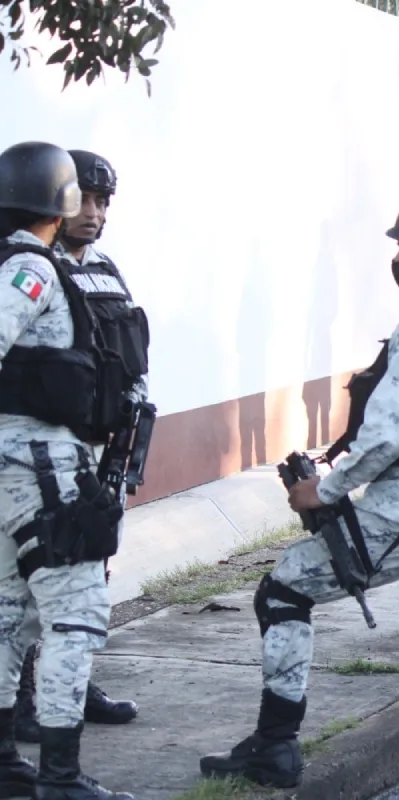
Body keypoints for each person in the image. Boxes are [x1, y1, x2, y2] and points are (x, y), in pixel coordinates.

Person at [200, 192, 399, 798]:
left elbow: (387, 435)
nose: (398, 257)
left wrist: (321, 491)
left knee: (281, 592)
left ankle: (276, 747)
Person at [0, 141, 146, 799]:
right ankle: (60, 777)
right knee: (76, 616)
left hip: (22, 464)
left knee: (7, 614)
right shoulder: (31, 269)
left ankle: (7, 763)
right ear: (59, 202)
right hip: (42, 464)